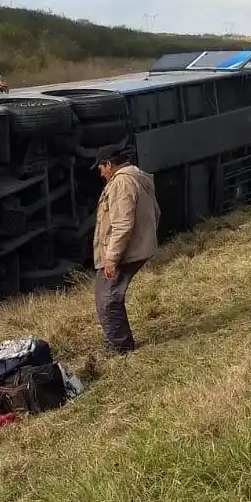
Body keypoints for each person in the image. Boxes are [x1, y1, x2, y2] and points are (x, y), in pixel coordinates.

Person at [92, 146, 160, 354]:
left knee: (107, 298)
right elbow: (156, 212)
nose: (101, 173)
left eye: (101, 167)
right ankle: (120, 342)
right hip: (136, 247)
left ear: (110, 164)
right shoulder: (138, 176)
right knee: (111, 296)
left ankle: (120, 346)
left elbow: (122, 223)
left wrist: (111, 258)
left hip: (125, 251)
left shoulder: (121, 182)